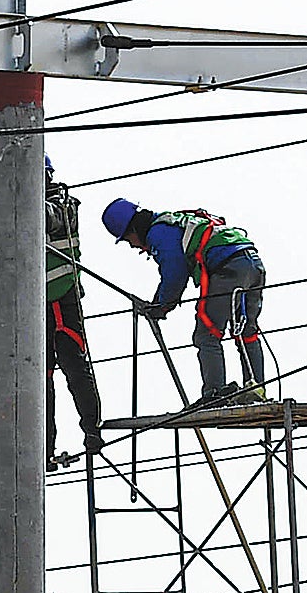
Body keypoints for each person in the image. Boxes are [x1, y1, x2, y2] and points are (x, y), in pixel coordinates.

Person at [104, 198, 269, 409]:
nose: (135, 247)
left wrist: (160, 307)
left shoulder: (158, 233)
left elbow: (174, 274)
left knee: (207, 333)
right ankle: (256, 390)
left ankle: (215, 393)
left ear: (133, 229)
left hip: (226, 268)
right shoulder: (176, 222)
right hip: (252, 264)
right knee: (246, 331)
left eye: (129, 240)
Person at [44, 172, 106, 470]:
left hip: (63, 300)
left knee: (75, 369)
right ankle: (44, 447)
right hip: (37, 306)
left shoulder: (62, 204)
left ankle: (92, 429)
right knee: (40, 380)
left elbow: (45, 218)